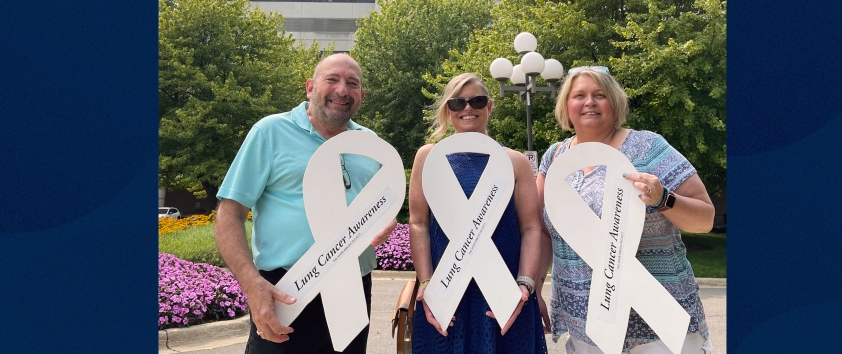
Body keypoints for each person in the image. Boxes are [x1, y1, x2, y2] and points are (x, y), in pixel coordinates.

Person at [214, 54, 398, 354]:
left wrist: (385, 222)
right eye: (332, 79)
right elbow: (229, 214)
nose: (342, 90)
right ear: (310, 87)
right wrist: (252, 284)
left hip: (352, 287)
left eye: (352, 84)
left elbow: (383, 207)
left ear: (361, 96)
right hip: (285, 290)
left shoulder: (371, 143)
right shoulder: (270, 132)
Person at [536, 67, 715, 354]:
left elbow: (705, 218)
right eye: (579, 95)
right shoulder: (555, 158)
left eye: (600, 95)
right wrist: (534, 288)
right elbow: (541, 232)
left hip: (658, 325)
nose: (589, 102)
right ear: (566, 106)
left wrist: (663, 198)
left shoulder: (648, 148)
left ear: (615, 103)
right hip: (587, 327)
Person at [408, 72, 548, 354]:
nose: (467, 108)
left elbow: (532, 227)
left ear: (490, 106)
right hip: (447, 291)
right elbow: (419, 223)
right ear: (448, 111)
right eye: (458, 103)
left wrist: (525, 285)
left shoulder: (514, 161)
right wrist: (426, 283)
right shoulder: (429, 157)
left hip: (504, 292)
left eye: (477, 100)